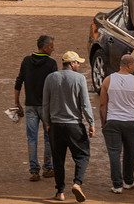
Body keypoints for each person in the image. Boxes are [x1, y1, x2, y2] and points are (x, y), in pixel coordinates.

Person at [42, 51, 95, 202]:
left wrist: (47, 122)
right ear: (72, 63)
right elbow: (85, 104)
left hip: (56, 126)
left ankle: (60, 192)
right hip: (74, 126)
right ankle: (77, 184)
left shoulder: (50, 78)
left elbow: (45, 104)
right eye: (78, 62)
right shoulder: (80, 79)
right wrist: (91, 123)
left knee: (58, 159)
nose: (79, 65)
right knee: (83, 155)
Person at [99, 54, 134, 194]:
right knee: (130, 152)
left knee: (114, 153)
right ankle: (129, 180)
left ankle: (117, 184)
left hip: (113, 121)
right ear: (129, 65)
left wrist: (104, 123)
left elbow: (102, 104)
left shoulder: (108, 80)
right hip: (131, 122)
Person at [14, 35, 58, 181]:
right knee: (48, 137)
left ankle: (34, 170)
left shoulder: (26, 61)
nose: (53, 48)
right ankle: (48, 167)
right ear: (45, 48)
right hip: (46, 107)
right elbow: (54, 87)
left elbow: (19, 81)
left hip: (30, 106)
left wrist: (17, 102)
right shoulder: (51, 64)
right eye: (51, 46)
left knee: (31, 138)